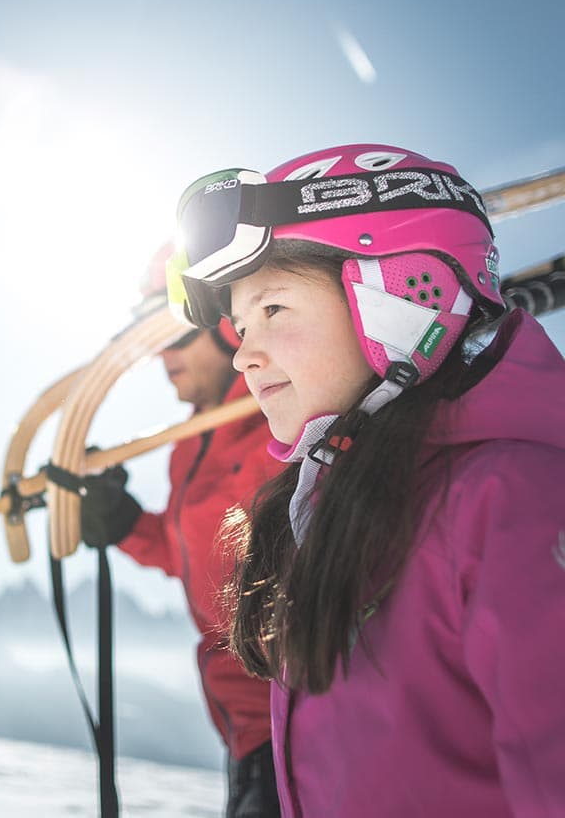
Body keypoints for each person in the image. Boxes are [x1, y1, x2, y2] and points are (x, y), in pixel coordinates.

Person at [167, 144, 565, 818]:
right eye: (239, 324)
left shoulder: (516, 504)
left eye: (272, 311)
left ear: (403, 294)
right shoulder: (325, 511)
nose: (241, 354)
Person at [78, 241, 283, 817]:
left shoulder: (285, 408)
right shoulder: (190, 441)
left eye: (175, 336)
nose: (162, 358)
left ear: (228, 328)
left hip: (306, 708)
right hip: (244, 726)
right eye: (152, 345)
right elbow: (190, 548)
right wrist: (122, 524)